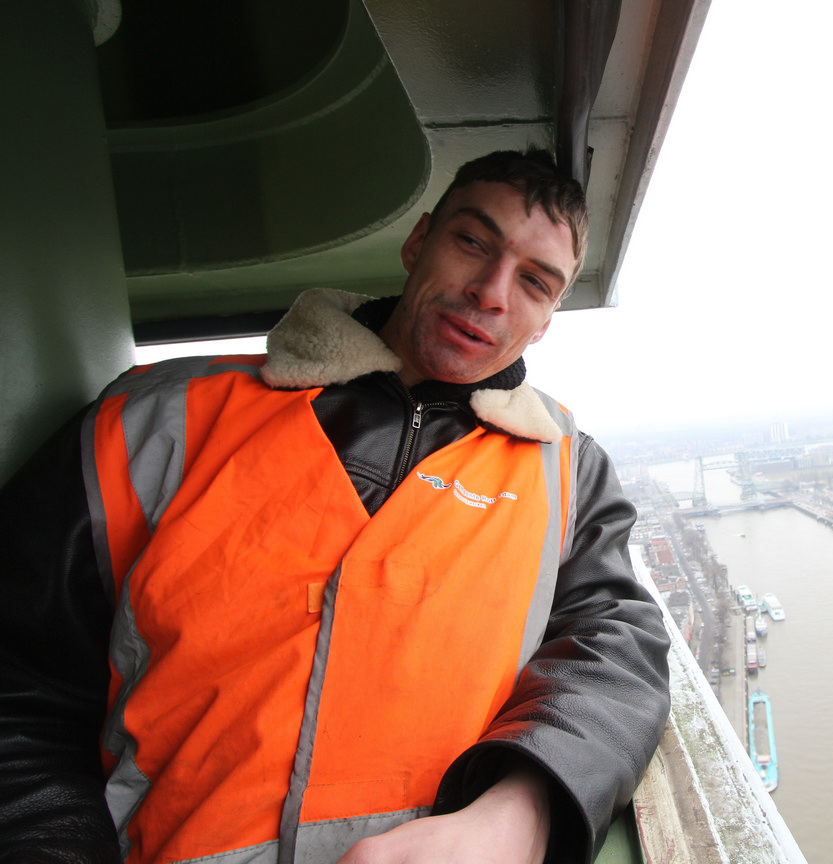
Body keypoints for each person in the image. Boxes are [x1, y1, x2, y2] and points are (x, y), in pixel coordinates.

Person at [0, 149, 671, 864]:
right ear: (418, 242)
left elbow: (616, 647)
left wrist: (523, 810)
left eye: (535, 282)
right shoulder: (154, 420)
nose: (492, 292)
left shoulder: (566, 470)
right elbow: (21, 681)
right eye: (473, 242)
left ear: (545, 322)